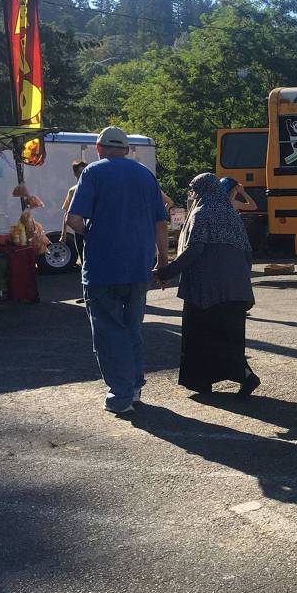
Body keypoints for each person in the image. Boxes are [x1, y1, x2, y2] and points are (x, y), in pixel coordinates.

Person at [66, 126, 169, 415]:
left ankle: (120, 395)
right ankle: (134, 387)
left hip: (102, 268)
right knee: (132, 328)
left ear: (99, 149)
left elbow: (73, 218)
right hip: (138, 266)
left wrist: (92, 233)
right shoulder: (146, 176)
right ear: (126, 150)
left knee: (108, 332)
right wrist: (162, 259)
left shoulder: (93, 173)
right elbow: (161, 223)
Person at [154, 173, 259, 397]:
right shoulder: (232, 214)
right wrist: (242, 281)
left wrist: (167, 272)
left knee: (201, 337)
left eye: (194, 191)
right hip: (235, 289)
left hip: (206, 289)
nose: (192, 195)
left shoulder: (202, 214)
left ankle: (202, 382)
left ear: (202, 191)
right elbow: (248, 252)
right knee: (229, 337)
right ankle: (245, 376)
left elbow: (195, 250)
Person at [61, 160, 87, 267]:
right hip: (79, 230)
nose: (82, 175)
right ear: (75, 174)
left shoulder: (96, 188)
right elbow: (67, 213)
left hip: (93, 229)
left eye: (85, 172)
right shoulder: (73, 191)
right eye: (80, 173)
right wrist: (63, 234)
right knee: (83, 258)